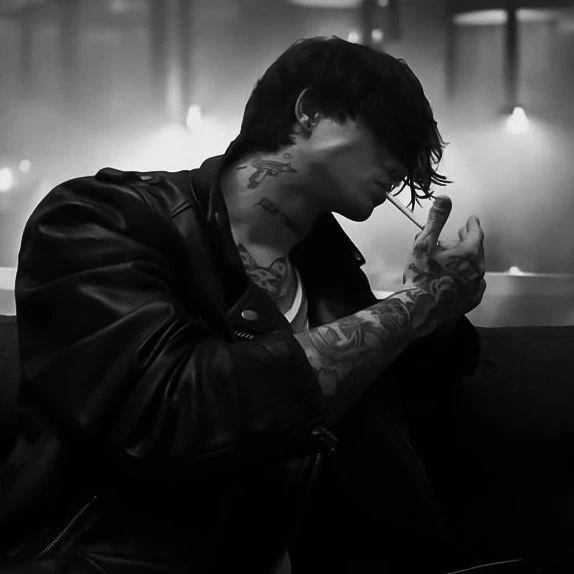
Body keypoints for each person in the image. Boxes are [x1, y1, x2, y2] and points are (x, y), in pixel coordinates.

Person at [1, 36, 485, 573]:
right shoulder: (103, 219)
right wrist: (417, 307)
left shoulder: (331, 274)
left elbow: (413, 405)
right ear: (310, 111)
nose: (403, 165)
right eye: (391, 132)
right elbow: (168, 414)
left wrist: (438, 314)